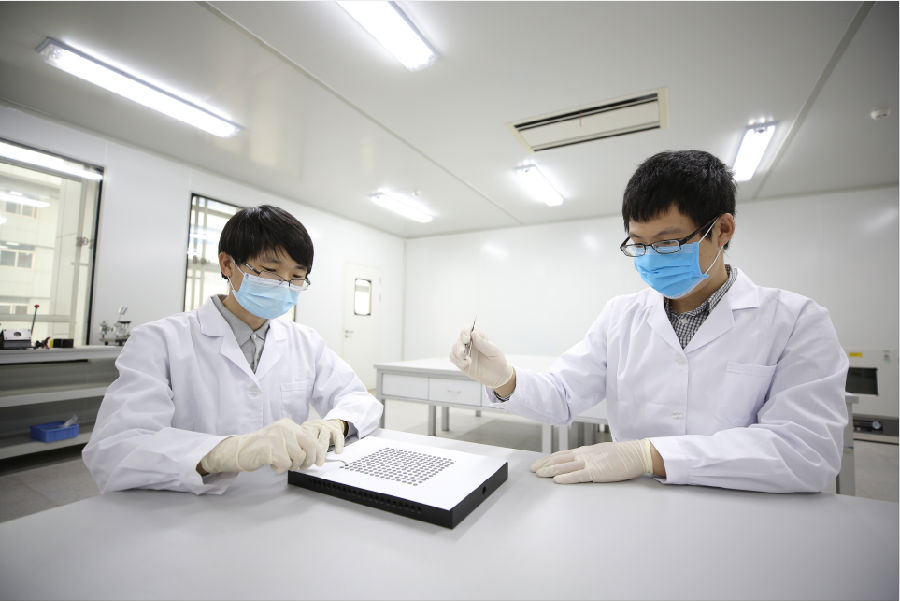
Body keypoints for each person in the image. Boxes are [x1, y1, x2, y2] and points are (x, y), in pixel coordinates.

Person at [450, 150, 849, 493]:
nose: (653, 257)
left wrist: (647, 455)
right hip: (635, 503)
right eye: (640, 244)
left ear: (722, 230)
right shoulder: (621, 314)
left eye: (668, 242)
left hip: (744, 508)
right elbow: (563, 396)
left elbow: (806, 451)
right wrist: (505, 379)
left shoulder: (796, 320)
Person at [83, 205, 382, 494]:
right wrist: (225, 453)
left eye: (296, 277)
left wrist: (335, 424)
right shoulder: (159, 341)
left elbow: (358, 398)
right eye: (270, 270)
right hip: (189, 508)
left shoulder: (305, 341)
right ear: (227, 265)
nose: (284, 285)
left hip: (286, 498)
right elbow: (114, 450)